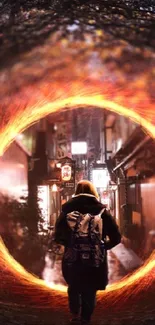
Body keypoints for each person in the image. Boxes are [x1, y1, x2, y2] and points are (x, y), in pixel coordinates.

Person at [55, 180, 121, 324]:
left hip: (72, 257)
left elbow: (57, 235)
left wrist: (70, 243)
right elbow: (116, 237)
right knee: (90, 289)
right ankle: (86, 318)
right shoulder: (101, 210)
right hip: (95, 258)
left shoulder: (67, 209)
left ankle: (74, 315)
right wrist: (104, 246)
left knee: (73, 286)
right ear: (93, 192)